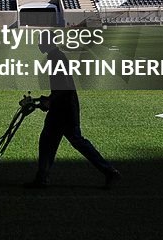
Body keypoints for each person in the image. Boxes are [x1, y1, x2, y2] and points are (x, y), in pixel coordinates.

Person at [26, 42, 120, 188]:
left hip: (63, 110)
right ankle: (109, 171)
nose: (39, 45)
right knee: (65, 141)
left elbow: (65, 86)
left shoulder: (56, 58)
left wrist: (50, 101)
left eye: (41, 42)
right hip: (64, 107)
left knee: (51, 141)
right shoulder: (55, 57)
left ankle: (42, 178)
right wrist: (47, 99)